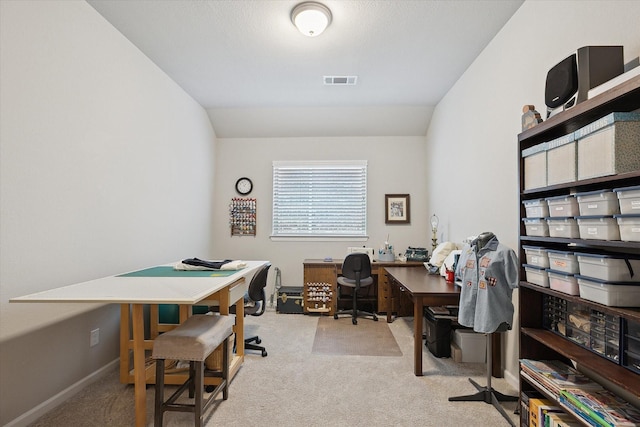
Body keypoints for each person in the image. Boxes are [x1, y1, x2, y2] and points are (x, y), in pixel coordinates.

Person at [455, 232, 518, 333]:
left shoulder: (505, 253)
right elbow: (460, 274)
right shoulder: (467, 251)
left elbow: (514, 281)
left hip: (494, 316)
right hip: (468, 312)